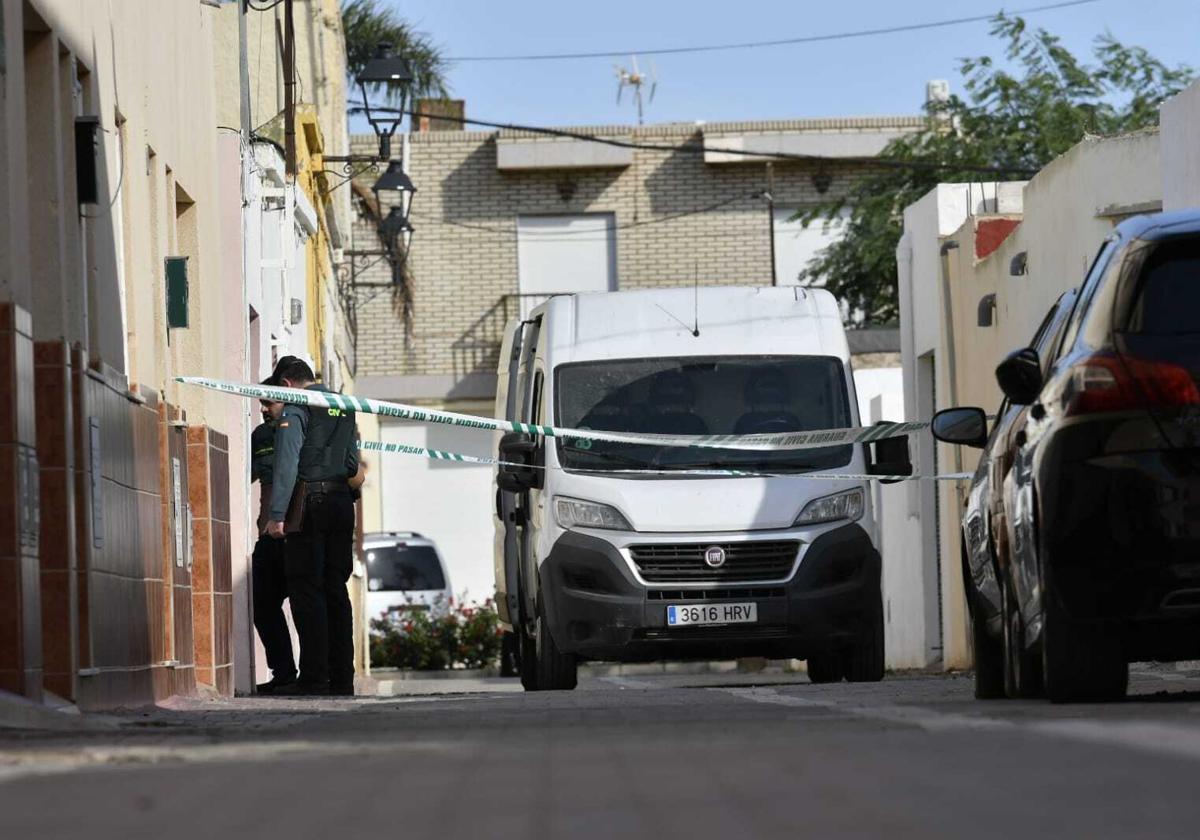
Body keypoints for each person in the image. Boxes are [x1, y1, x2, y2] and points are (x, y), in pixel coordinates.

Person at [265, 358, 359, 696]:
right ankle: (342, 678)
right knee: (336, 589)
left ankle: (314, 678)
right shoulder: (342, 405)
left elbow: (288, 463)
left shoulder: (297, 407)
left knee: (307, 590)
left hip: (309, 505)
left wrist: (277, 515)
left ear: (287, 384)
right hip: (341, 503)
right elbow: (351, 463)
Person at [250, 392, 297, 695]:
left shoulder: (306, 429)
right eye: (262, 405)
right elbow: (250, 472)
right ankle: (283, 674)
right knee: (263, 604)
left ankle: (317, 676)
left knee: (307, 605)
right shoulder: (261, 435)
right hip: (269, 533)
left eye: (270, 403)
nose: (264, 410)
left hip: (300, 532)